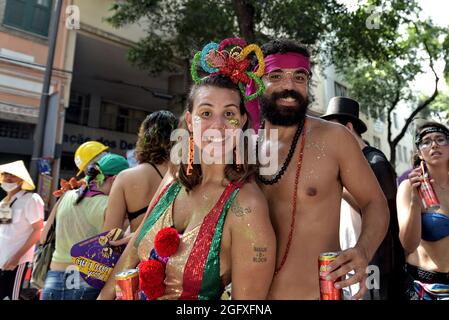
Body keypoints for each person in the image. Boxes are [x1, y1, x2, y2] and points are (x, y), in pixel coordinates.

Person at [98, 39, 276, 300]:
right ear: (190, 121)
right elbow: (135, 247)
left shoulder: (247, 204)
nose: (217, 125)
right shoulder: (172, 178)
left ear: (242, 122)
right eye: (206, 113)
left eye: (228, 114)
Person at [252, 39, 389, 299]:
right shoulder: (242, 146)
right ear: (259, 82)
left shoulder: (335, 138)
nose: (289, 86)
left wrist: (363, 251)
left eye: (299, 77)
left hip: (318, 295)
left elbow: (375, 202)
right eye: (276, 76)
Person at [321, 96, 405, 300]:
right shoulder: (347, 165)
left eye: (334, 131)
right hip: (353, 264)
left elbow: (378, 208)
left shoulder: (375, 162)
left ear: (348, 129)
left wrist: (335, 184)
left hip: (377, 269)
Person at [40, 154, 129, 300]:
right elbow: (109, 247)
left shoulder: (66, 196)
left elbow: (43, 238)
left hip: (53, 277)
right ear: (116, 179)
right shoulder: (109, 205)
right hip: (87, 280)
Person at [397, 122, 449, 300]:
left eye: (440, 139)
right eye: (426, 141)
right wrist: (414, 203)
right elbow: (408, 245)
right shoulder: (409, 186)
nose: (434, 144)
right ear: (419, 153)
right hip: (424, 288)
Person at [103, 111, 178, 233]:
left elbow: (109, 234)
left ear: (143, 139)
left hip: (137, 250)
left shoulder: (126, 177)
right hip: (177, 250)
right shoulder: (186, 177)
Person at [0, 160, 44, 300]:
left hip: (16, 261)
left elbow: (38, 230)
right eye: (5, 174)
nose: (8, 178)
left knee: (12, 296)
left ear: (21, 179)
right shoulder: (4, 202)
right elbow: (5, 231)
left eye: (12, 175)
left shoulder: (31, 199)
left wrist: (16, 257)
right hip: (2, 259)